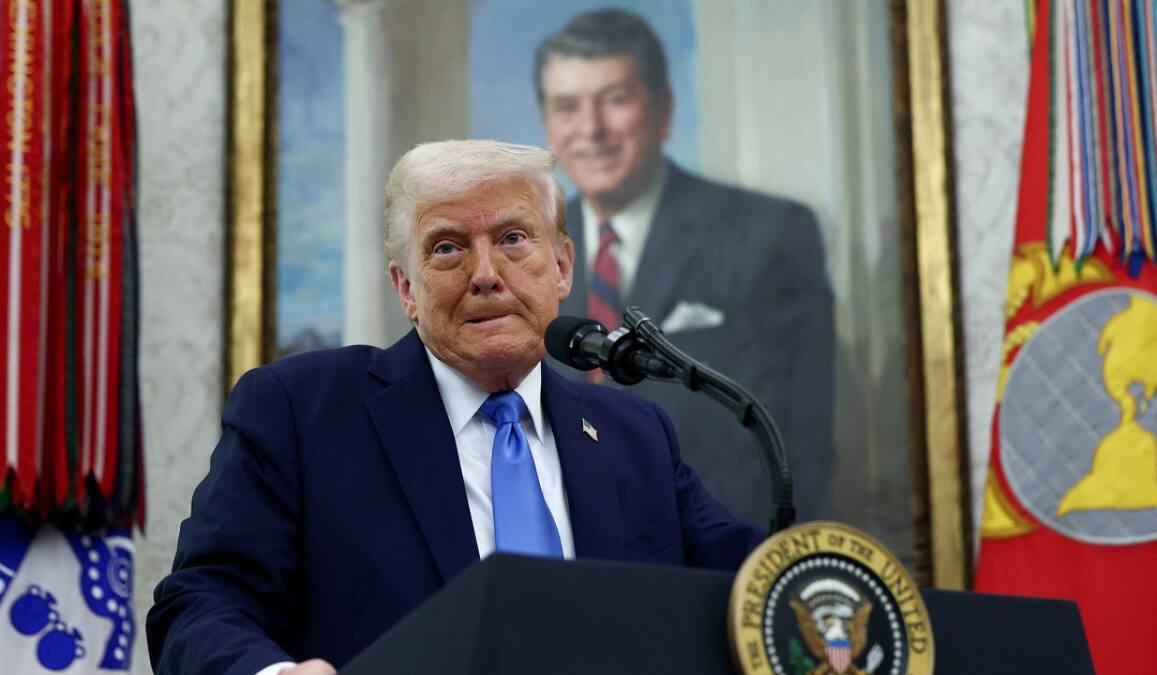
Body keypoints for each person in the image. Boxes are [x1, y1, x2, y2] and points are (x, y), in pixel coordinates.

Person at [146, 141, 762, 675]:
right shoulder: (299, 412)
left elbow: (752, 585)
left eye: (513, 239)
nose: (486, 274)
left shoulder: (635, 434)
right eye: (447, 248)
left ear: (562, 267)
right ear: (406, 289)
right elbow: (202, 600)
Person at [534, 10, 835, 524]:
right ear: (547, 123)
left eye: (615, 100)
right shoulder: (528, 253)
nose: (591, 129)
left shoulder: (770, 235)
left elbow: (800, 442)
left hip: (715, 551)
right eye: (567, 107)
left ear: (663, 110)